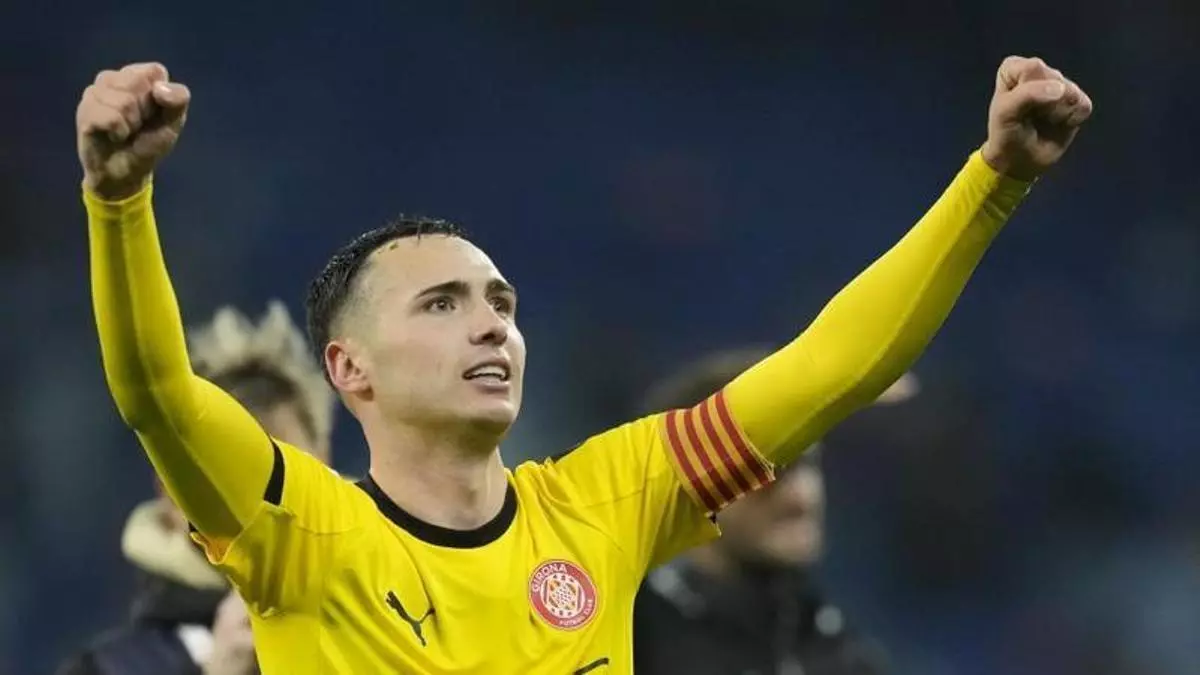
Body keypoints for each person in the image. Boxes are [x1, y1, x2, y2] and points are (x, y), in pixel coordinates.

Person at [74, 55, 1091, 674]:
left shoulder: (606, 504)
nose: (491, 327)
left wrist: (993, 181)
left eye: (502, 304)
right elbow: (157, 393)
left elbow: (835, 368)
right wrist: (120, 203)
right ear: (350, 369)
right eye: (442, 304)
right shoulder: (297, 529)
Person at [57, 303, 336, 675]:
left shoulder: (398, 609)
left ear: (324, 467)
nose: (261, 511)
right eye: (227, 481)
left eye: (283, 477)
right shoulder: (108, 669)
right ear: (170, 495)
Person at [633, 350, 917, 675]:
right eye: (770, 473)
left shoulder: (838, 650)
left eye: (809, 463)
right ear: (688, 488)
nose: (803, 497)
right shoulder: (629, 641)